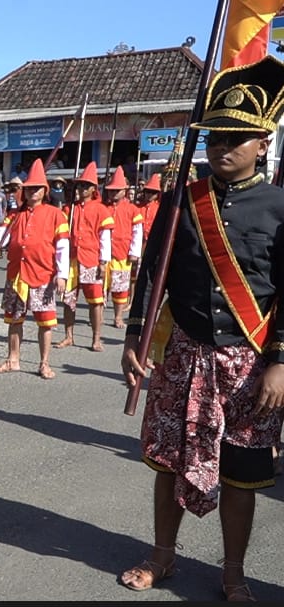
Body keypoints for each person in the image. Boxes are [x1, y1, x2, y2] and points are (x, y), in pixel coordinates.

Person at [119, 55, 284, 602]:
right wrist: (134, 337)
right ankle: (163, 556)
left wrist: (281, 362)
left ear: (264, 141)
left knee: (241, 473)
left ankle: (233, 573)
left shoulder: (282, 207)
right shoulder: (182, 201)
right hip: (185, 354)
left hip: (251, 363)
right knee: (168, 461)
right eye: (215, 136)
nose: (222, 147)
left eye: (238, 137)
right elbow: (152, 273)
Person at [0, 159, 69, 380]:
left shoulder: (55, 214)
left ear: (45, 190)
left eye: (37, 188)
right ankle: (13, 359)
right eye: (29, 187)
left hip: (43, 274)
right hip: (17, 276)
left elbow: (62, 246)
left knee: (46, 321)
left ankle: (44, 363)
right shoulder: (15, 215)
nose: (33, 191)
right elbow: (1, 232)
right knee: (14, 319)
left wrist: (62, 275)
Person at [55, 162, 114, 352]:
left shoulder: (101, 209)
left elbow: (105, 238)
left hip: (91, 259)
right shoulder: (69, 209)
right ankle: (68, 336)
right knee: (68, 299)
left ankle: (96, 338)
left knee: (95, 301)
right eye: (79, 185)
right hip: (72, 260)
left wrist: (104, 262)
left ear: (93, 189)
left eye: (85, 185)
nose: (81, 188)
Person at [99, 167, 143, 329]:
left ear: (124, 191)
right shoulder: (103, 208)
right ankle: (99, 315)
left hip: (122, 254)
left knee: (120, 288)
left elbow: (137, 233)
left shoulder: (133, 210)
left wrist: (134, 252)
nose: (114, 194)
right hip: (104, 255)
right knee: (102, 287)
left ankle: (118, 317)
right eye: (111, 191)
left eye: (117, 191)